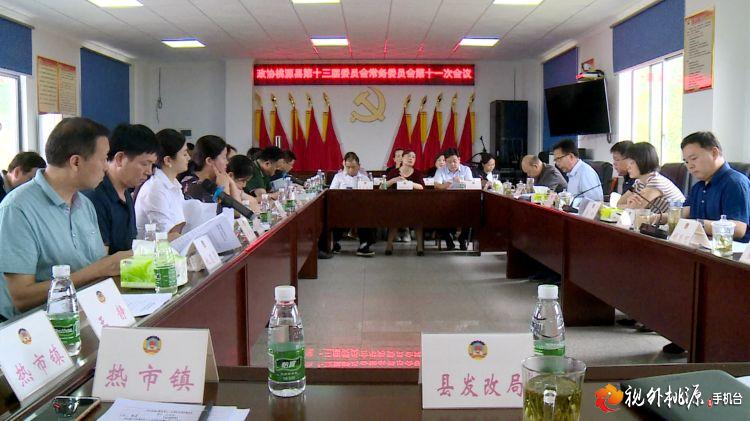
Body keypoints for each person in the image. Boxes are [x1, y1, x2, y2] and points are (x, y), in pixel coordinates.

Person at [0, 117, 130, 321]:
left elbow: (93, 264)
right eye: (104, 159)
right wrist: (98, 270)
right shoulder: (17, 208)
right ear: (76, 162)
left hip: (86, 313)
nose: (107, 167)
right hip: (38, 326)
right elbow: (21, 298)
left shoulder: (85, 204)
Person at [662, 132, 750, 355]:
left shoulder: (735, 182)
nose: (689, 166)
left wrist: (698, 223)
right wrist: (659, 217)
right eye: (686, 161)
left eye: (694, 158)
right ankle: (684, 336)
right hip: (702, 250)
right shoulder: (699, 185)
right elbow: (687, 210)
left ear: (714, 152)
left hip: (731, 258)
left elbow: (739, 229)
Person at [84, 124, 158, 254]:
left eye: (152, 165)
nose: (149, 171)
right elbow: (100, 260)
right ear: (120, 159)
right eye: (144, 164)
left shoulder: (125, 193)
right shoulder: (95, 197)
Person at [135, 128, 192, 237]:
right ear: (168, 160)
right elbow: (165, 235)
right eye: (184, 154)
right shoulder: (155, 189)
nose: (189, 158)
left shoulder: (174, 185)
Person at [329, 152, 376, 257]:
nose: (350, 170)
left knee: (368, 216)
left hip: (360, 209)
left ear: (359, 166)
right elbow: (332, 195)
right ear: (344, 165)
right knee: (335, 217)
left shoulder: (364, 178)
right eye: (348, 167)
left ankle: (364, 245)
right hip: (342, 209)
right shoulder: (338, 177)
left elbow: (371, 197)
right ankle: (334, 242)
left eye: (353, 167)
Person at [616, 142, 685, 213]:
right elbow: (618, 204)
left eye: (632, 163)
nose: (628, 167)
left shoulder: (655, 182)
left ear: (643, 161)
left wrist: (629, 206)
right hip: (657, 219)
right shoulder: (639, 182)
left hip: (678, 219)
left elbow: (637, 209)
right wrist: (629, 206)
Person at [384, 149, 425, 255]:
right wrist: (393, 180)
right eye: (408, 156)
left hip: (414, 204)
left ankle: (420, 246)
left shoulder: (417, 173)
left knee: (418, 218)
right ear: (402, 158)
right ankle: (389, 245)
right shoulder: (394, 172)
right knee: (394, 217)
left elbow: (421, 187)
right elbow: (382, 186)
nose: (411, 158)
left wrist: (408, 183)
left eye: (413, 157)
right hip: (396, 204)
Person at [181, 135, 241, 204]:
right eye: (224, 157)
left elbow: (238, 209)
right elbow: (224, 210)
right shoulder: (193, 186)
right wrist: (224, 189)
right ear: (209, 161)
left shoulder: (216, 180)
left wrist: (232, 184)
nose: (227, 162)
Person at [433, 149, 473, 250]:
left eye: (455, 161)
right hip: (445, 202)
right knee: (436, 215)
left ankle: (462, 238)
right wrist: (450, 182)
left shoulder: (466, 169)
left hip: (463, 201)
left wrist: (462, 182)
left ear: (459, 159)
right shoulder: (440, 171)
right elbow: (437, 186)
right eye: (449, 162)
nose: (452, 164)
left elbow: (471, 185)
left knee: (472, 214)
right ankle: (448, 240)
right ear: (445, 161)